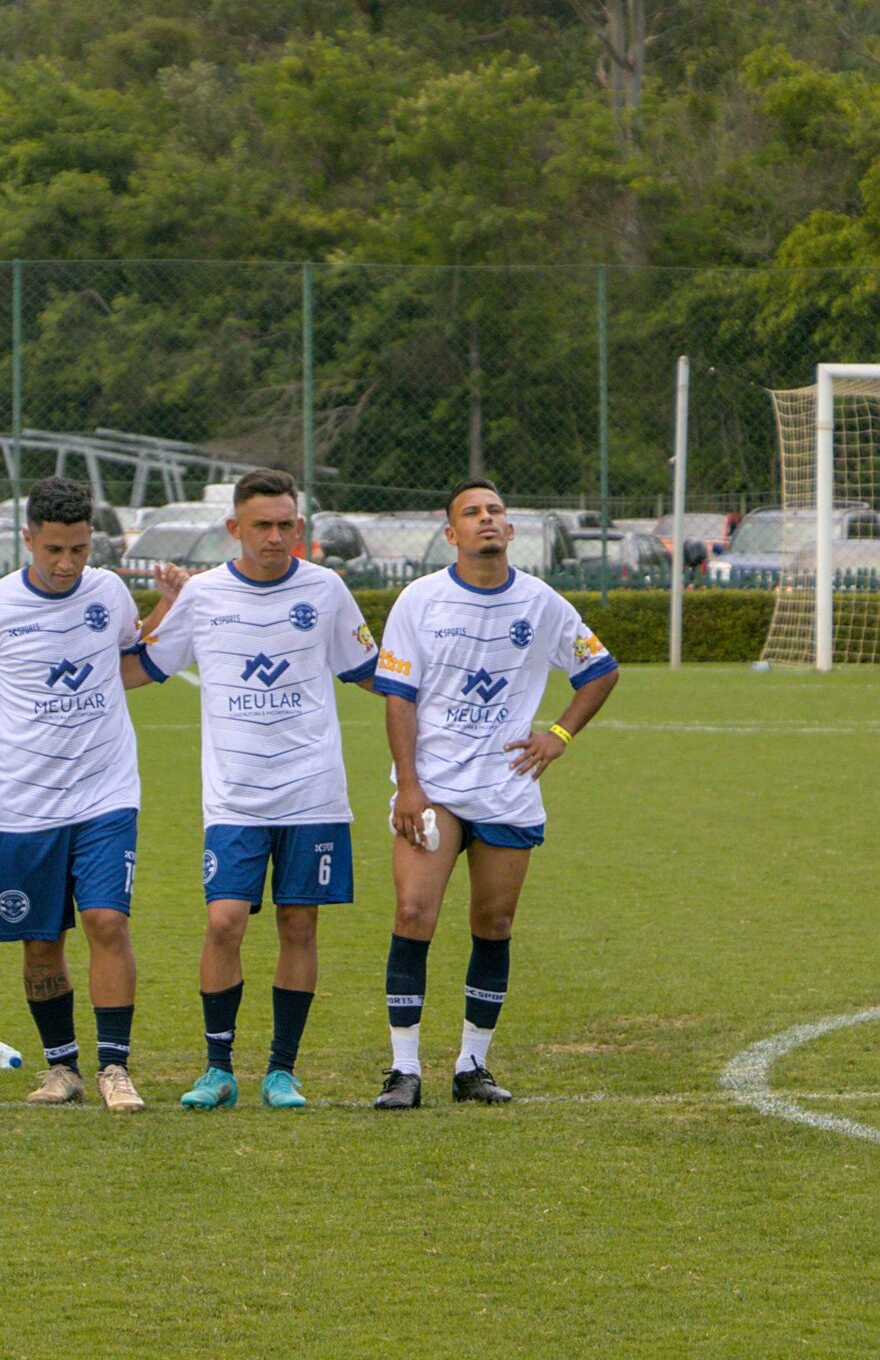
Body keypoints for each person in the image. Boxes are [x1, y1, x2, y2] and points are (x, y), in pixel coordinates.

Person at [128, 469, 381, 1111]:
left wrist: (438, 693)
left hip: (313, 792)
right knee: (224, 921)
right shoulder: (205, 595)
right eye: (262, 525)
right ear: (233, 529)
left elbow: (370, 672)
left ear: (300, 527)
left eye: (286, 524)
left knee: (300, 923)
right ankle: (217, 1068)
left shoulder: (326, 590)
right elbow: (142, 667)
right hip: (235, 798)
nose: (275, 537)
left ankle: (282, 1071)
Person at [368, 480, 619, 1108]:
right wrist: (410, 786)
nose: (487, 520)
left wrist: (559, 733)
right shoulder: (419, 600)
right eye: (472, 514)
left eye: (496, 512)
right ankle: (403, 1070)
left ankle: (471, 1066)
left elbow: (601, 669)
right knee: (413, 914)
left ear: (509, 531)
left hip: (507, 789)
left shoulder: (542, 603)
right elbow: (398, 696)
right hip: (437, 790)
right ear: (451, 534)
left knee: (494, 923)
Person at [0, 477, 182, 1114]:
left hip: (106, 791)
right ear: (28, 540)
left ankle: (114, 1067)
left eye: (78, 549)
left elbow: (129, 658)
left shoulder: (107, 591)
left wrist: (167, 608)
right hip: (26, 799)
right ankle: (63, 1070)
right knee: (39, 941)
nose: (66, 564)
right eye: (54, 549)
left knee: (106, 921)